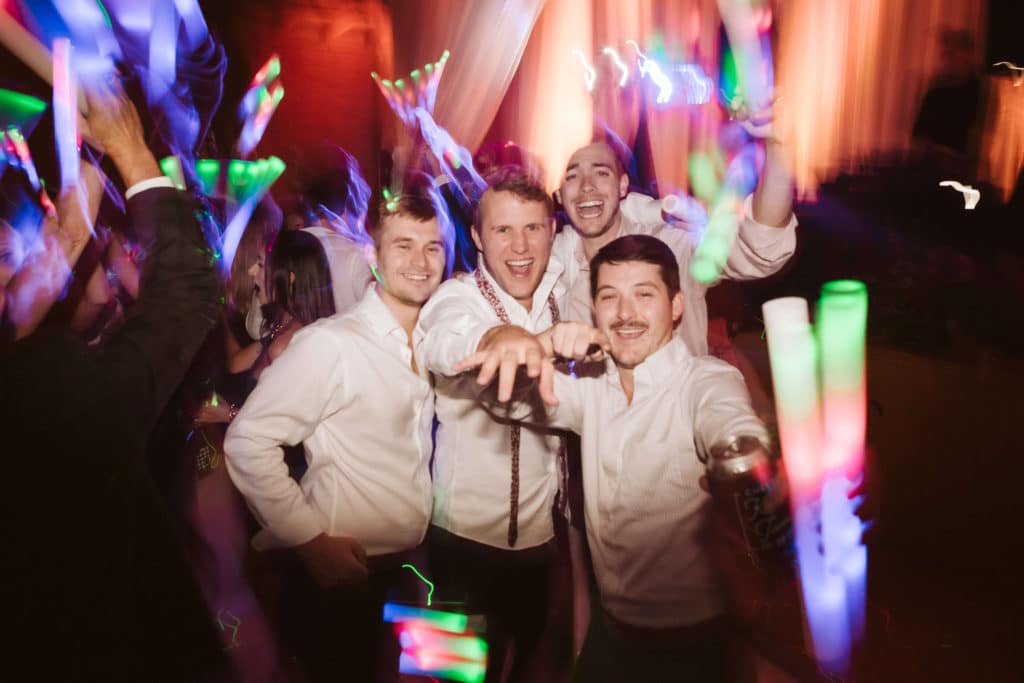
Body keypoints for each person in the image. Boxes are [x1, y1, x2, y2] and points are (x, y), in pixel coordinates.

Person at [456, 234, 773, 682]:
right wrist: (542, 343)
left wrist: (750, 460)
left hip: (694, 644)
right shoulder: (593, 388)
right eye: (610, 297)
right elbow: (497, 396)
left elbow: (730, 424)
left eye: (644, 295)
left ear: (677, 305)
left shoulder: (704, 381)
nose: (625, 314)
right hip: (612, 635)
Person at [1, 82, 228, 680]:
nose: (27, 260)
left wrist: (66, 242)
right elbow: (186, 294)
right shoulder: (47, 391)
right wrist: (130, 149)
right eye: (8, 255)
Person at [224, 186, 454, 681]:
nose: (420, 260)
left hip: (411, 571)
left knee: (435, 676)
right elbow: (247, 440)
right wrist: (308, 540)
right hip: (342, 581)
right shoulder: (332, 343)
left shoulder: (437, 341)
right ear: (372, 257)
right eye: (403, 245)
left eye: (432, 246)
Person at [418, 167, 566, 681]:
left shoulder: (562, 295)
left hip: (540, 547)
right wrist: (497, 338)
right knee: (442, 678)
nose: (520, 245)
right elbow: (441, 340)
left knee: (521, 665)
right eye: (502, 229)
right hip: (458, 546)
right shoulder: (456, 298)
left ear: (553, 231)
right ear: (477, 236)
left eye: (532, 228)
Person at [553, 133, 797, 356]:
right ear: (558, 193)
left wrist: (779, 144)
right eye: (572, 176)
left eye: (601, 173)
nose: (586, 186)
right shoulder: (551, 268)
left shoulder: (672, 243)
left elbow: (760, 245)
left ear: (622, 185)